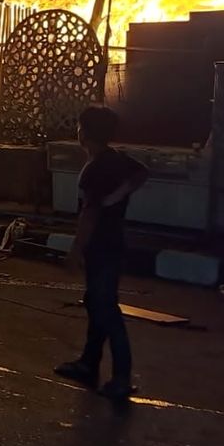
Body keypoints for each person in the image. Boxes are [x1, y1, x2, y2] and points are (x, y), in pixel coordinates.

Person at [54, 105, 148, 401]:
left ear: (84, 132)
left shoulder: (94, 170)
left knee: (106, 309)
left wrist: (75, 250)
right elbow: (141, 174)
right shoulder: (117, 160)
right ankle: (88, 363)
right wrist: (117, 198)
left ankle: (121, 377)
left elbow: (89, 216)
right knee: (97, 304)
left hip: (100, 247)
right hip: (115, 243)